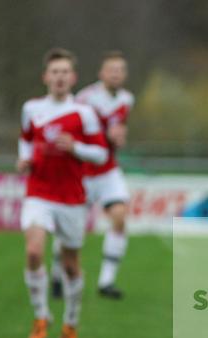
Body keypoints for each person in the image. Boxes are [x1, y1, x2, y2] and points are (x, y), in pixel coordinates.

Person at [18, 48, 108, 338]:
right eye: (54, 72)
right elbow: (25, 139)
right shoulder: (31, 108)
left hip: (71, 197)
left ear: (73, 78)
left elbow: (101, 154)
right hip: (39, 192)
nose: (59, 77)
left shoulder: (84, 114)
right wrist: (24, 159)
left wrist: (76, 147)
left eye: (65, 72)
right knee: (34, 252)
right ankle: (41, 316)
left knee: (70, 265)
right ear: (45, 76)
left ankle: (70, 323)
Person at [52, 51, 134, 300]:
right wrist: (100, 136)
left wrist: (119, 138)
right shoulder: (84, 99)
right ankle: (57, 274)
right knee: (71, 230)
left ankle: (106, 282)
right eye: (112, 70)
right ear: (101, 73)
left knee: (119, 216)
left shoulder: (127, 99)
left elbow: (118, 131)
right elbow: (74, 132)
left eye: (120, 70)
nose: (116, 74)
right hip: (83, 173)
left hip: (108, 171)